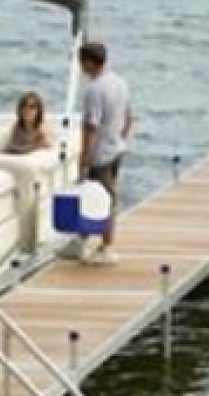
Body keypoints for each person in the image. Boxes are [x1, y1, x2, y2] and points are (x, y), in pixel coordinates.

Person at [78, 41, 132, 265]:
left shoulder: (94, 89)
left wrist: (85, 156)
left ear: (90, 63)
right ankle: (81, 241)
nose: (81, 68)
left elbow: (91, 126)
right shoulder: (120, 83)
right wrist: (121, 138)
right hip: (117, 148)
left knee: (102, 200)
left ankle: (107, 247)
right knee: (97, 198)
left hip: (101, 153)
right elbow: (129, 116)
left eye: (82, 63)